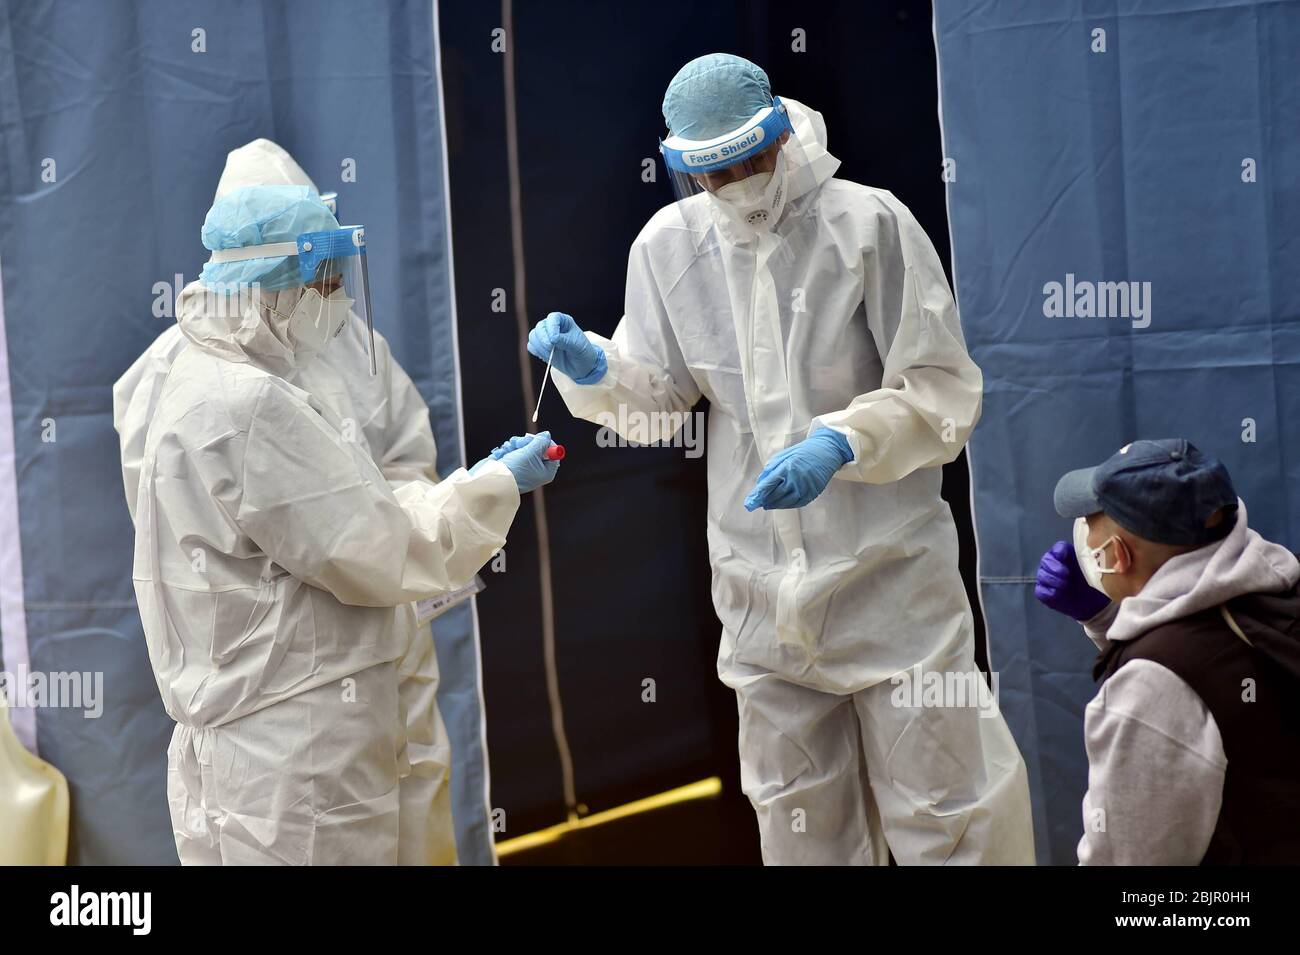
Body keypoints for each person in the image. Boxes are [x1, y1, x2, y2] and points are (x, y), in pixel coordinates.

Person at [528, 54, 1033, 864]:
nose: (732, 181)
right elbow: (662, 408)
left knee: (949, 815)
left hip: (889, 585)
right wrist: (598, 372)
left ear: (780, 134)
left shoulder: (867, 224)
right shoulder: (670, 245)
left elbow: (941, 390)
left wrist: (844, 440)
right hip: (761, 600)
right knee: (801, 827)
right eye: (711, 170)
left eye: (744, 158)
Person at [120, 141, 559, 865]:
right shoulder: (249, 399)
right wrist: (493, 485)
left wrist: (442, 498)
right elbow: (378, 547)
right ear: (273, 279)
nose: (335, 295)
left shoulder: (219, 368)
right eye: (320, 278)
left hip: (277, 719)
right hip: (302, 736)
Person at [1035, 439, 1300, 865]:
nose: (1083, 531)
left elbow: (1125, 858)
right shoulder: (1280, 592)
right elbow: (1222, 668)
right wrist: (1106, 619)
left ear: (1116, 555)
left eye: (1090, 519)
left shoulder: (1148, 689)